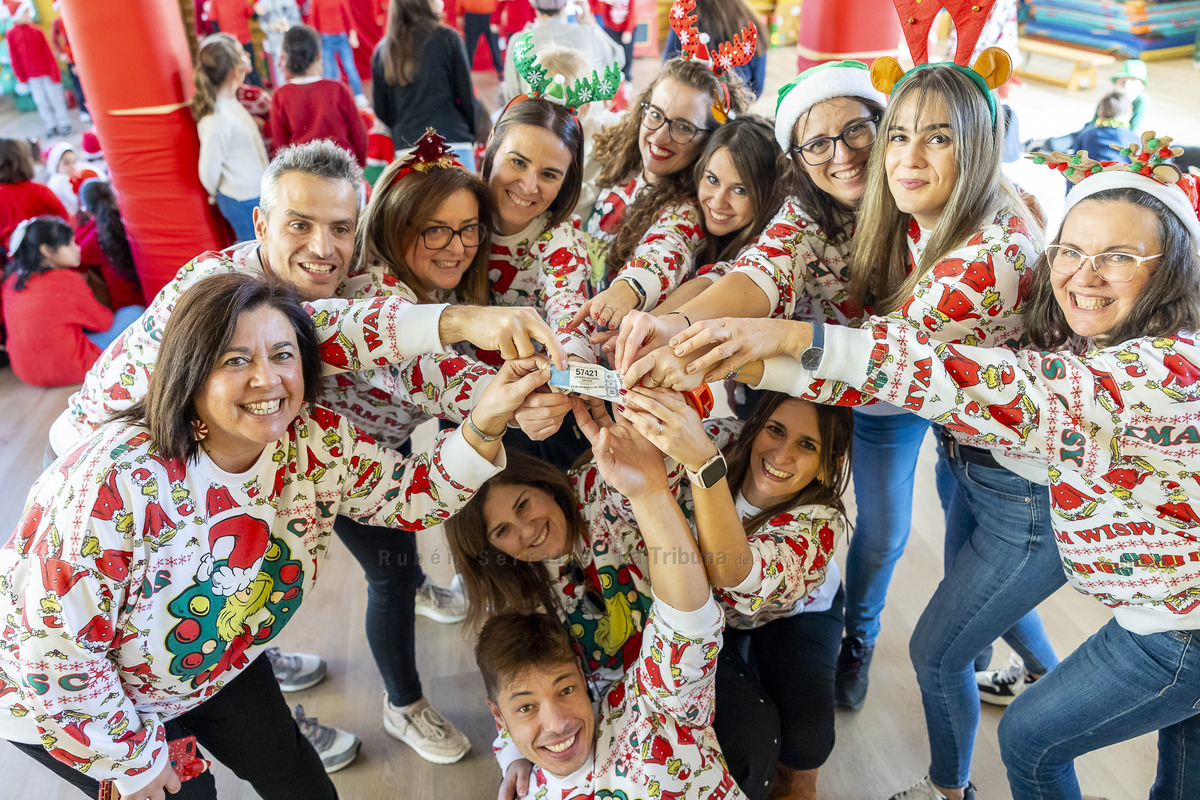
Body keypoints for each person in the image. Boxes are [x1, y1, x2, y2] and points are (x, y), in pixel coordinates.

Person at [678, 139, 1200, 800]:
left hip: (1176, 627)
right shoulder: (1098, 331)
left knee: (1026, 737)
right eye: (1071, 250)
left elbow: (963, 379)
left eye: (1119, 256)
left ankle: (950, 784)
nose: (1085, 274)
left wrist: (785, 339)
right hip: (1142, 598)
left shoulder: (1157, 375)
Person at [629, 40, 1061, 800]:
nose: (847, 153)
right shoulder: (824, 211)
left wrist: (754, 345)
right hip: (924, 412)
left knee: (941, 582)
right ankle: (867, 639)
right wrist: (676, 326)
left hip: (954, 421)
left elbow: (900, 356)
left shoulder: (981, 236)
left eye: (863, 129)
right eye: (817, 141)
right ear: (798, 155)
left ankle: (962, 679)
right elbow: (758, 273)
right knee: (911, 543)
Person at [50, 139, 570, 769]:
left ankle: (246, 659)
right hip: (131, 477)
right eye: (301, 225)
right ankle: (389, 700)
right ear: (261, 223)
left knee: (248, 592)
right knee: (170, 620)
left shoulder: (348, 302)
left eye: (339, 228)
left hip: (306, 462)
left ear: (361, 231)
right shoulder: (208, 291)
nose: (322, 248)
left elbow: (394, 362)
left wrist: (502, 397)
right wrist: (466, 335)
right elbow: (341, 334)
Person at [0, 271, 545, 799]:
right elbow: (53, 653)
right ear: (189, 374)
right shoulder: (114, 484)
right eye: (237, 360)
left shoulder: (311, 440)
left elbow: (412, 493)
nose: (268, 379)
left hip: (209, 660)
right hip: (77, 699)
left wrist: (490, 414)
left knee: (298, 779)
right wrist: (132, 762)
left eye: (283, 355)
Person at [446, 405, 783, 800]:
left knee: (747, 737)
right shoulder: (511, 595)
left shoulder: (598, 485)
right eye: (502, 531)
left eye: (523, 504)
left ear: (543, 485)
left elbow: (655, 479)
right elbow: (517, 689)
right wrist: (512, 757)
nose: (527, 529)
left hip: (684, 657)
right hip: (602, 703)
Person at [582, 53, 752, 327]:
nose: (660, 136)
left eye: (683, 127)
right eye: (656, 114)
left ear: (710, 141)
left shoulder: (689, 210)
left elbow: (666, 250)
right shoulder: (622, 155)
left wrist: (630, 289)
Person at [1, 216, 134, 386]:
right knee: (132, 313)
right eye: (69, 244)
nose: (77, 248)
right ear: (47, 251)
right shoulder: (66, 279)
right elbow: (105, 323)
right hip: (72, 368)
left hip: (26, 373)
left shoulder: (12, 280)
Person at [372, 0, 477, 168]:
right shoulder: (449, 38)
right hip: (454, 142)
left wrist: (403, 127)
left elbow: (382, 109)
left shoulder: (384, 49)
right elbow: (466, 97)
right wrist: (471, 134)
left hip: (409, 147)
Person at [192, 32, 270, 242]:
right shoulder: (215, 119)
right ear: (234, 70)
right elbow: (208, 172)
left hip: (253, 192)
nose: (247, 56)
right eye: (241, 55)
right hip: (242, 198)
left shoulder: (229, 103)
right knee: (255, 250)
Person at [270, 24, 368, 165]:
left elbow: (280, 147)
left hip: (303, 173)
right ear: (318, 56)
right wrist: (358, 167)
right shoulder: (338, 89)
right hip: (343, 168)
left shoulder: (280, 95)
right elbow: (360, 137)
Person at [500, 0, 624, 104]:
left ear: (533, 4)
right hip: (581, 122)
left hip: (535, 120)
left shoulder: (519, 42)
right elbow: (618, 59)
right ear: (566, 4)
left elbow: (512, 95)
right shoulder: (586, 33)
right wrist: (592, 25)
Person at [661, 0, 766, 99]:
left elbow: (667, 68)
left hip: (686, 102)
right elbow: (756, 88)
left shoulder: (683, 19)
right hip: (734, 105)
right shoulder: (750, 20)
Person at [77, 178, 144, 310]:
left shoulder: (96, 239)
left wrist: (91, 220)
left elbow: (76, 253)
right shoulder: (129, 218)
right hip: (151, 293)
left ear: (87, 211)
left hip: (128, 307)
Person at [6, 1, 70, 137]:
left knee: (56, 99)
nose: (29, 15)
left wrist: (54, 72)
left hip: (47, 72)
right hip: (32, 77)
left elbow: (48, 53)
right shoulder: (11, 34)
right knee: (41, 102)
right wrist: (21, 77)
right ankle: (50, 125)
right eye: (25, 12)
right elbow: (14, 57)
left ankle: (64, 122)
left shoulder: (37, 30)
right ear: (17, 15)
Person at [0, 136, 68, 248]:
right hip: (51, 251)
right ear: (26, 161)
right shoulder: (40, 190)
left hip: (14, 258)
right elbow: (64, 220)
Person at [308, 0, 367, 106]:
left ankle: (359, 95)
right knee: (329, 71)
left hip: (342, 36)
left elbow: (348, 16)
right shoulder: (316, 1)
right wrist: (314, 41)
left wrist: (352, 34)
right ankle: (331, 99)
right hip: (326, 38)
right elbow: (313, 20)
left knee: (350, 67)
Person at [207, 0, 263, 86]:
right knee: (248, 71)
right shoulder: (216, 2)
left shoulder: (216, 2)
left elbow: (214, 24)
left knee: (239, 73)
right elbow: (253, 15)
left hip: (235, 43)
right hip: (233, 43)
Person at [49, 4, 88, 122]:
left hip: (82, 57)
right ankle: (83, 109)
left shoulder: (76, 17)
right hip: (71, 60)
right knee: (78, 86)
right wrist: (63, 54)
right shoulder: (58, 22)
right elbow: (55, 40)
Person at [44, 141, 99, 217]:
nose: (72, 166)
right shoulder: (60, 180)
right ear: (55, 165)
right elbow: (77, 202)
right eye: (67, 163)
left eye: (74, 162)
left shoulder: (58, 179)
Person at [254, 0, 302, 88]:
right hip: (274, 41)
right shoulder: (264, 3)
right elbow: (261, 22)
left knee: (294, 65)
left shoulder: (289, 2)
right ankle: (282, 90)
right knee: (278, 67)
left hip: (290, 41)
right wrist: (269, 27)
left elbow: (297, 19)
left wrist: (288, 25)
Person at [462, 0, 503, 76]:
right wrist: (460, 12)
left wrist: (497, 17)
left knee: (494, 45)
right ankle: (465, 73)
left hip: (490, 15)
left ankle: (501, 71)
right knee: (469, 46)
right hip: (471, 15)